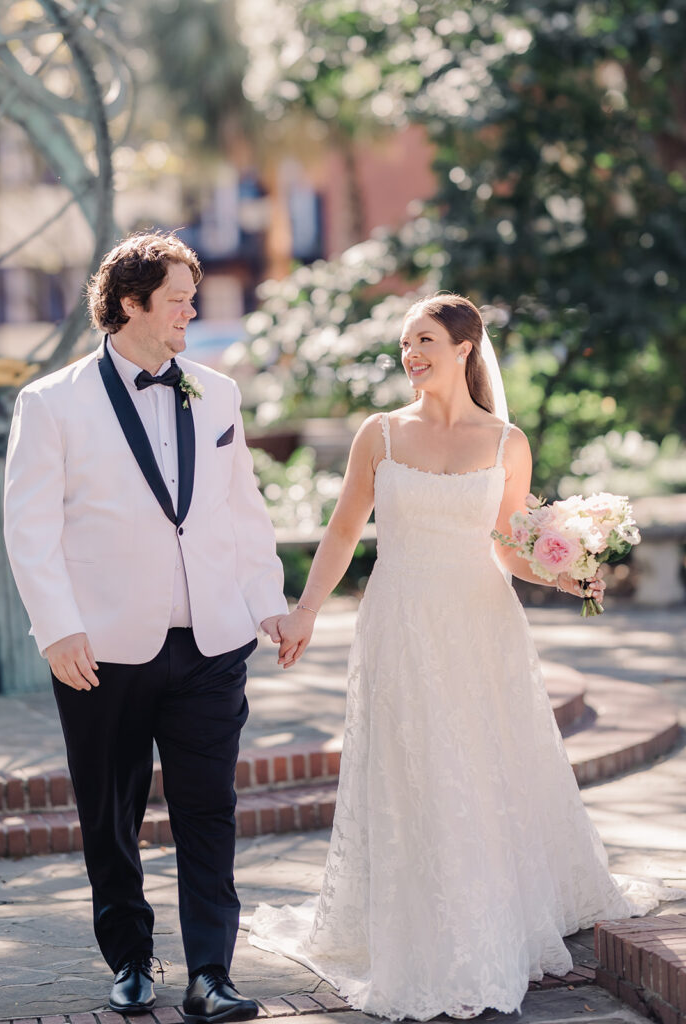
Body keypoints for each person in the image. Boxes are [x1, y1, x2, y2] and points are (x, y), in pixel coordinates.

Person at [249, 293, 678, 1020]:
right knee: (412, 761)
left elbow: (511, 547)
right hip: (399, 620)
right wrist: (305, 612)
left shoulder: (506, 441)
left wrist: (568, 573)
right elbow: (345, 529)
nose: (410, 355)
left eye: (423, 340)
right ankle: (416, 918)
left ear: (464, 347)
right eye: (404, 343)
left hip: (482, 623)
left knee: (479, 763)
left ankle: (487, 913)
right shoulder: (379, 436)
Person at [4, 231, 287, 1018]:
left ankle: (212, 974)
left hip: (210, 644)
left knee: (209, 811)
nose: (191, 313)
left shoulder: (216, 391)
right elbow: (30, 530)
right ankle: (129, 959)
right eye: (177, 300)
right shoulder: (50, 401)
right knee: (111, 813)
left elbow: (242, 512)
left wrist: (270, 602)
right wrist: (58, 630)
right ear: (130, 304)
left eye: (191, 299)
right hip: (100, 650)